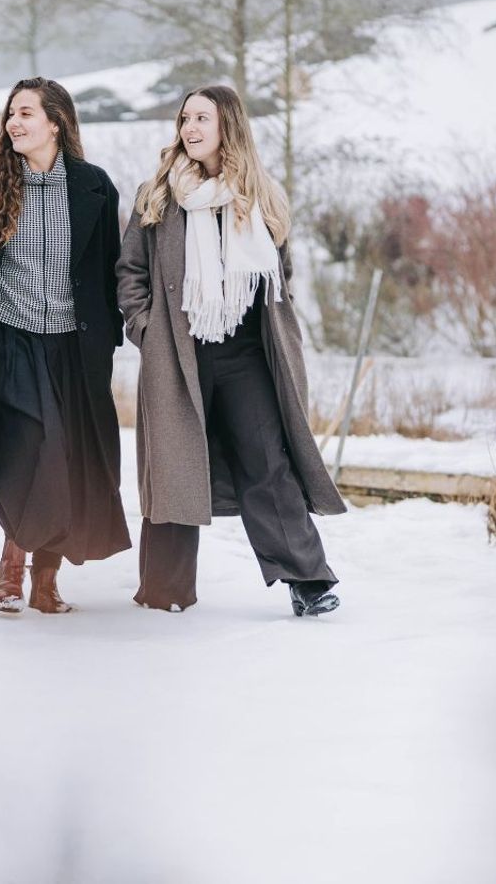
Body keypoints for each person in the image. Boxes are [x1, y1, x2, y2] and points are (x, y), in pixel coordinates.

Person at [116, 85, 345, 616]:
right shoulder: (158, 194)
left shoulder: (260, 196)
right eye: (184, 119)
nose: (190, 128)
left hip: (245, 355)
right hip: (178, 352)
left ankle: (307, 580)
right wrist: (146, 330)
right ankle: (165, 590)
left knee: (268, 461)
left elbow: (279, 273)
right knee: (175, 467)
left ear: (228, 128)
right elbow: (129, 272)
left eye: (202, 118)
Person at [0, 77, 131, 614]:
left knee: (69, 457)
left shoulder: (94, 185)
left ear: (57, 122)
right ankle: (12, 562)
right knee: (32, 450)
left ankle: (46, 579)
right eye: (11, 113)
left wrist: (109, 335)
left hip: (74, 345)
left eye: (26, 113)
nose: (15, 122)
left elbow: (106, 270)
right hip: (8, 338)